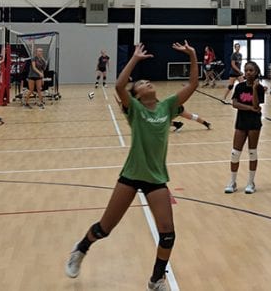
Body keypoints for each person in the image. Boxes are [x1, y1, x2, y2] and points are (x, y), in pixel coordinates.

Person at [65, 40, 198, 291]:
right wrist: (135, 58)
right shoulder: (134, 109)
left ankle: (156, 279)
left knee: (168, 233)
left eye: (148, 82)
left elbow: (193, 84)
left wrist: (192, 55)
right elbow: (118, 86)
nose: (147, 83)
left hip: (156, 178)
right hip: (131, 175)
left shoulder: (167, 106)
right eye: (141, 84)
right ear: (136, 95)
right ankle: (81, 249)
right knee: (105, 229)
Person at [224, 61, 265, 194]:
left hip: (254, 124)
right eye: (246, 70)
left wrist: (254, 89)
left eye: (251, 70)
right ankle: (232, 181)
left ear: (256, 72)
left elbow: (257, 105)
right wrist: (249, 108)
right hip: (241, 122)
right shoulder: (239, 86)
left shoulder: (259, 88)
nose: (248, 72)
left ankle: (250, 182)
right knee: (235, 153)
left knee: (252, 152)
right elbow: (234, 104)